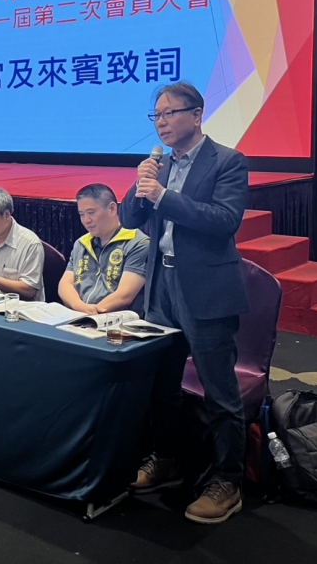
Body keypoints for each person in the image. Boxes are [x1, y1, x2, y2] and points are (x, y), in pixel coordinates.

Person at [119, 81, 249, 525]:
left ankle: (228, 480)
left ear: (196, 115)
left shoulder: (227, 161)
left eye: (170, 113)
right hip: (161, 287)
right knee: (162, 383)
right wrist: (142, 183)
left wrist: (164, 196)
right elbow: (129, 218)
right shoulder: (159, 165)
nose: (161, 122)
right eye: (156, 115)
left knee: (219, 391)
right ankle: (169, 459)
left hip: (205, 289)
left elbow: (224, 221)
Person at [59, 184, 149, 315]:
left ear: (112, 209)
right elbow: (65, 285)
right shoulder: (81, 243)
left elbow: (124, 295)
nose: (86, 220)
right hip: (81, 316)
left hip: (118, 320)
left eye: (91, 213)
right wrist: (79, 307)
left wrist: (91, 313)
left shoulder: (138, 243)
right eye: (81, 214)